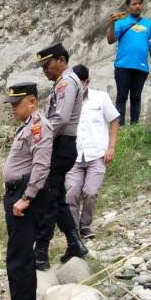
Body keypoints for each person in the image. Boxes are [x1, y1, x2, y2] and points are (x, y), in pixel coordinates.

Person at [0, 83, 53, 300]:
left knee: (18, 257)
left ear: (32, 101)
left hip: (24, 196)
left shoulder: (39, 127)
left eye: (16, 104)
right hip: (16, 194)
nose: (13, 109)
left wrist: (26, 197)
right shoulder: (28, 126)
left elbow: (41, 166)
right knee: (20, 255)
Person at [34, 43, 88, 270]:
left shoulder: (67, 82)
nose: (45, 70)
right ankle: (75, 242)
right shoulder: (61, 83)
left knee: (48, 198)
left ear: (60, 60)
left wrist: (42, 140)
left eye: (47, 65)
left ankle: (41, 252)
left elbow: (61, 118)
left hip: (60, 144)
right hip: (61, 144)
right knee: (56, 197)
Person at [65, 64, 120, 239]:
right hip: (73, 157)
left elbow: (114, 120)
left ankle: (85, 225)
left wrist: (111, 147)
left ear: (87, 82)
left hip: (97, 154)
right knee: (71, 193)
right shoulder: (65, 102)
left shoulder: (101, 98)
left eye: (78, 83)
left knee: (90, 192)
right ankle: (73, 231)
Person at [106, 0, 151, 126]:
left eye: (140, 3)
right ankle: (120, 126)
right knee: (121, 97)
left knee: (136, 98)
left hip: (141, 67)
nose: (138, 6)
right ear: (128, 7)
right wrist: (112, 25)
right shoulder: (121, 22)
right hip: (123, 66)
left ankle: (134, 127)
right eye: (134, 4)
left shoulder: (149, 24)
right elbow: (110, 40)